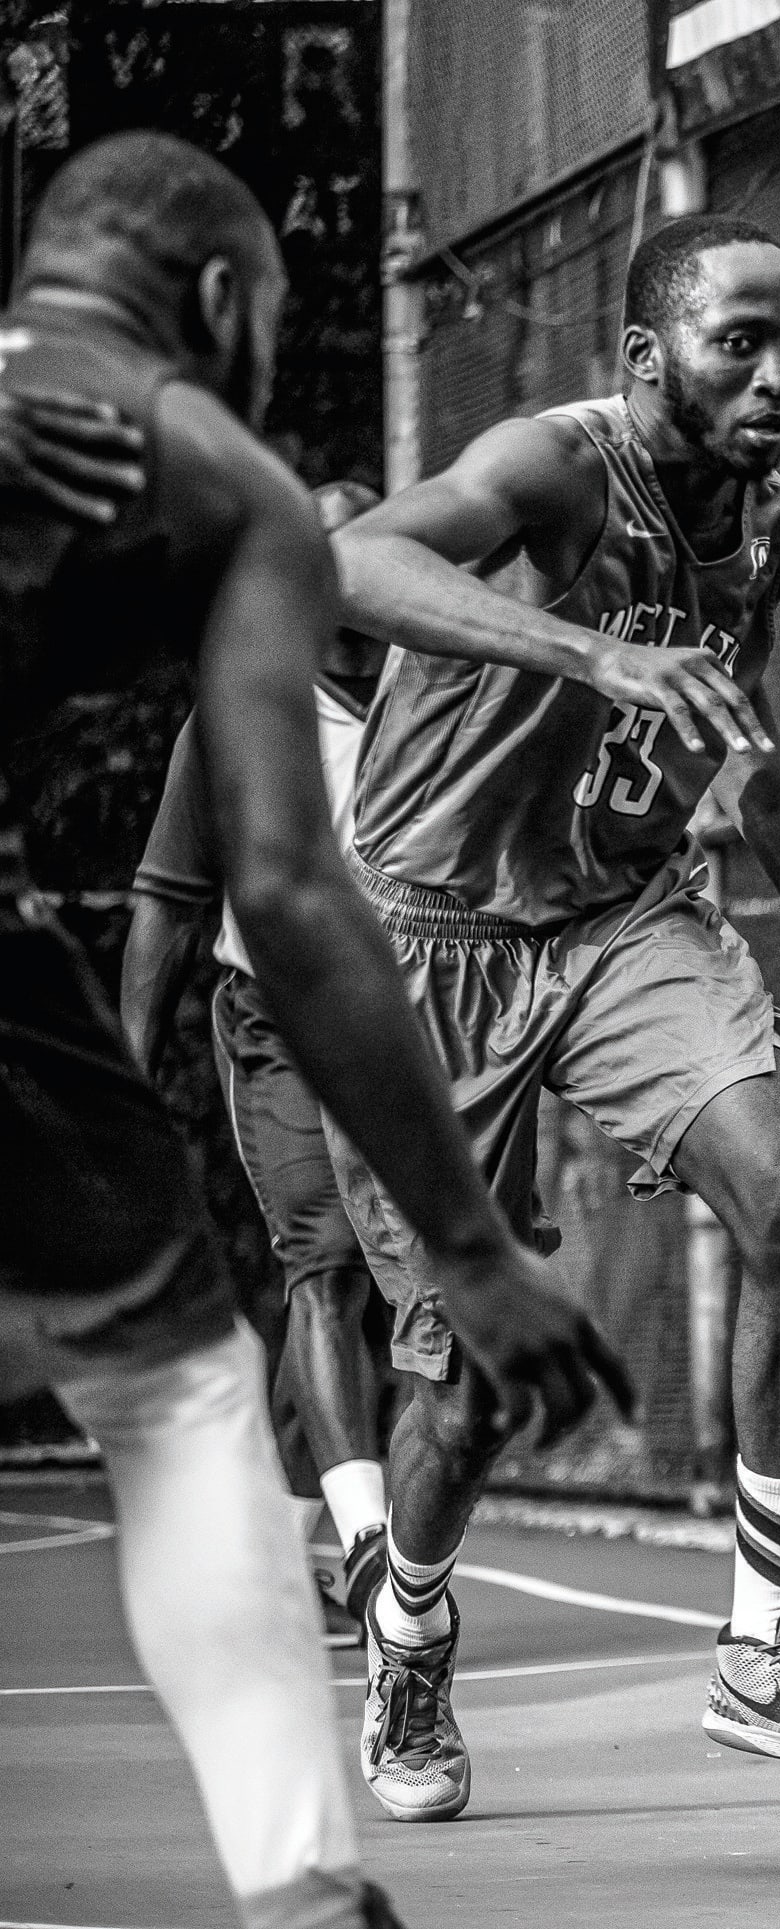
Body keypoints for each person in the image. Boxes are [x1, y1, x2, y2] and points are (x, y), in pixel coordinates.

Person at [0, 131, 629, 1929]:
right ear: (217, 302)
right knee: (185, 1390)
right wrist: (470, 1243)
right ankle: (294, 1876)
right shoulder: (226, 483)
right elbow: (289, 896)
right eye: (269, 321)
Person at [328, 211, 780, 1825]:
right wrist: (591, 647)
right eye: (744, 341)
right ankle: (411, 1621)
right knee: (469, 1388)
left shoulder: (768, 533)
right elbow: (352, 559)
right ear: (650, 354)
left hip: (622, 917)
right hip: (427, 947)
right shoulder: (555, 467)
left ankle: (765, 1635)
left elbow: (740, 702)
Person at [122, 477, 400, 1647]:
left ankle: (295, 1538)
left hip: (422, 1030)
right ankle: (378, 1557)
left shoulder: (447, 695)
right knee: (323, 1264)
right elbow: (168, 909)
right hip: (278, 1021)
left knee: (392, 1297)